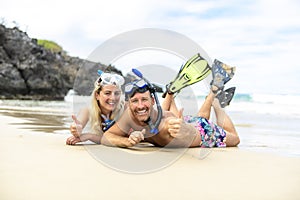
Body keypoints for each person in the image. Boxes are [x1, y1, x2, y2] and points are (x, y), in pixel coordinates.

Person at [100, 63, 240, 148]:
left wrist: (184, 130)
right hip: (189, 121)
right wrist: (127, 142)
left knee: (234, 139)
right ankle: (175, 93)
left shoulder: (169, 123)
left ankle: (216, 103)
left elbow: (187, 132)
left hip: (203, 132)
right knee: (199, 118)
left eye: (144, 99)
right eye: (135, 101)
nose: (140, 105)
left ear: (153, 101)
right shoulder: (130, 116)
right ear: (128, 104)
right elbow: (107, 137)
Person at [66, 71, 125, 145]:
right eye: (107, 93)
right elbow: (78, 125)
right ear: (97, 95)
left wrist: (90, 136)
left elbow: (118, 139)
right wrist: (76, 130)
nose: (113, 98)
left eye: (117, 93)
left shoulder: (125, 109)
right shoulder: (88, 110)